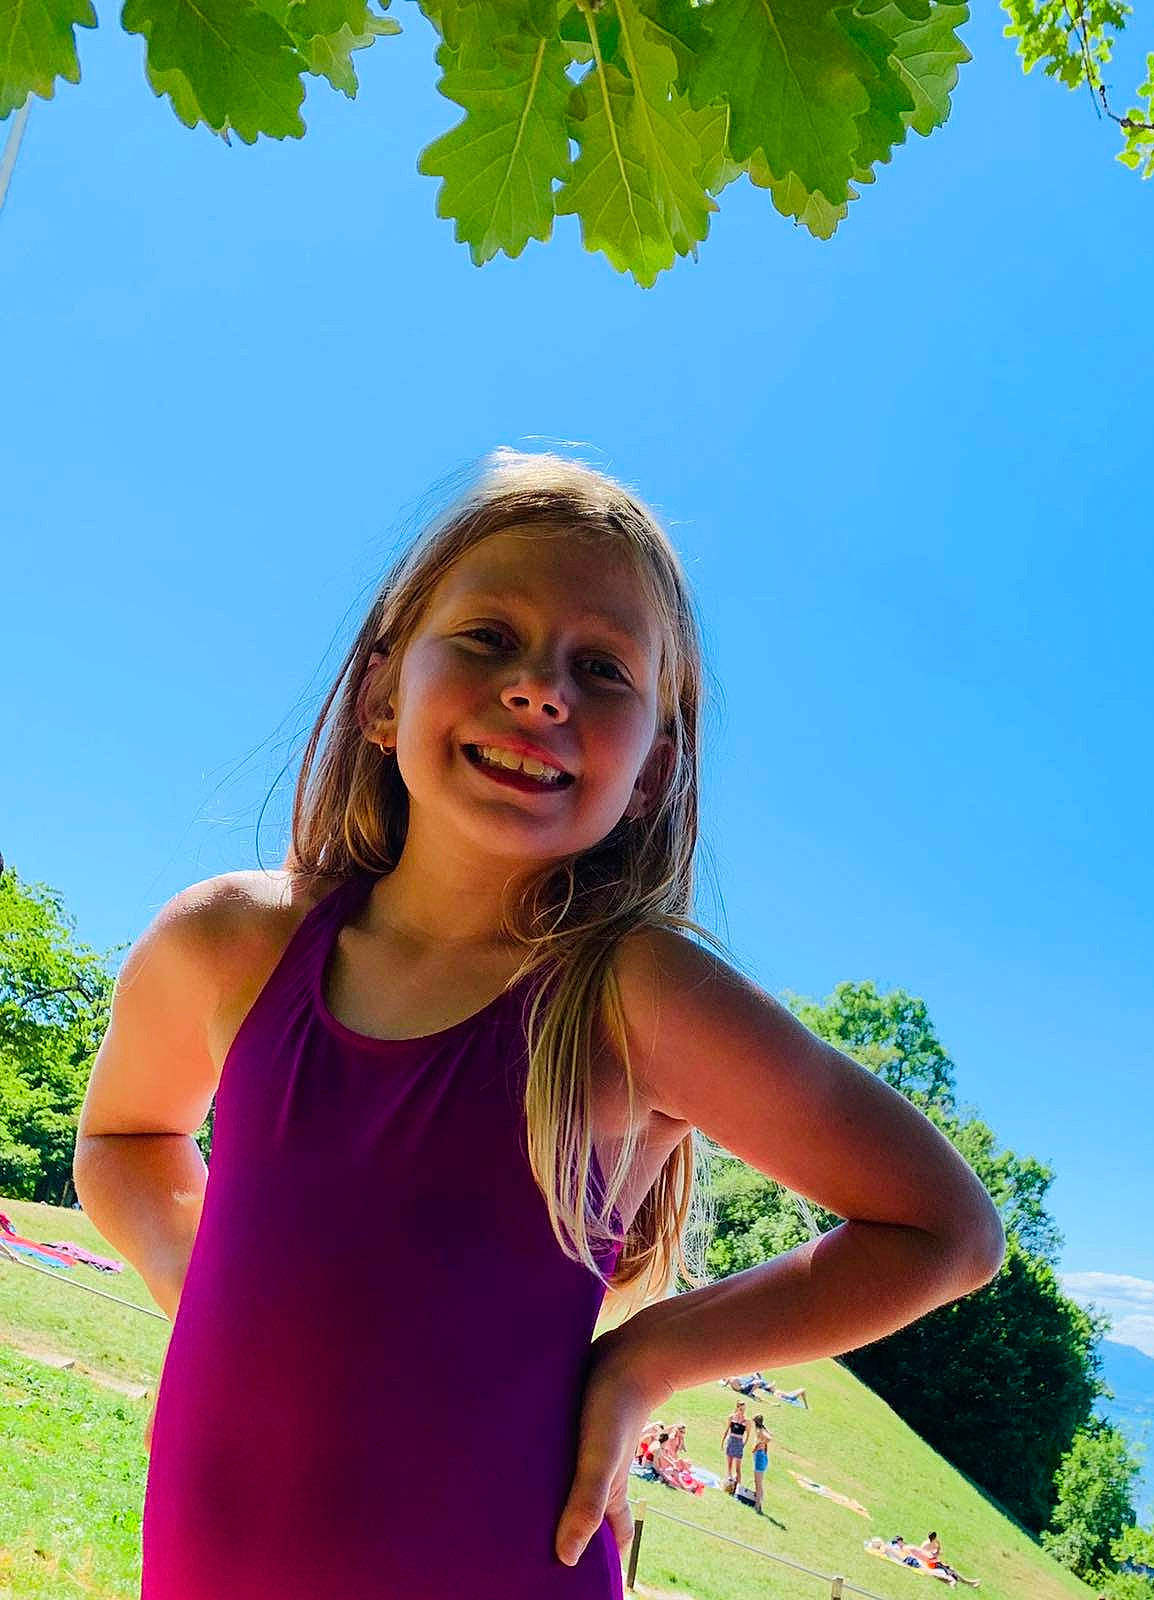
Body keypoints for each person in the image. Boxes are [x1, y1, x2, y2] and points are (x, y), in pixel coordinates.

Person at [72, 450, 1007, 1600]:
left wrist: (644, 1359)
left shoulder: (635, 996)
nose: (541, 689)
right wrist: (198, 1273)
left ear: (654, 770)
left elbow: (945, 1230)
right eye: (487, 638)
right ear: (380, 695)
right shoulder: (227, 943)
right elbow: (122, 1143)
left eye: (602, 668)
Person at [722, 1398, 749, 1492]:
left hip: (739, 1442)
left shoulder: (746, 1421)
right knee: (729, 1466)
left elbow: (747, 1435)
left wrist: (743, 1445)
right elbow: (727, 1430)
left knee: (738, 1468)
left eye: (744, 1409)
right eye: (741, 1409)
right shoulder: (731, 1417)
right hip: (731, 1440)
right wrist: (723, 1441)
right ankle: (728, 1486)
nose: (742, 1411)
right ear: (737, 1408)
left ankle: (738, 1489)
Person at [748, 1413, 772, 1513]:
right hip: (762, 1457)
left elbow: (769, 1438)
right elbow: (770, 1435)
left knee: (758, 1484)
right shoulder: (762, 1430)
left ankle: (757, 1506)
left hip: (760, 1458)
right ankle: (759, 1504)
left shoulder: (759, 1431)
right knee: (759, 1483)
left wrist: (760, 1443)